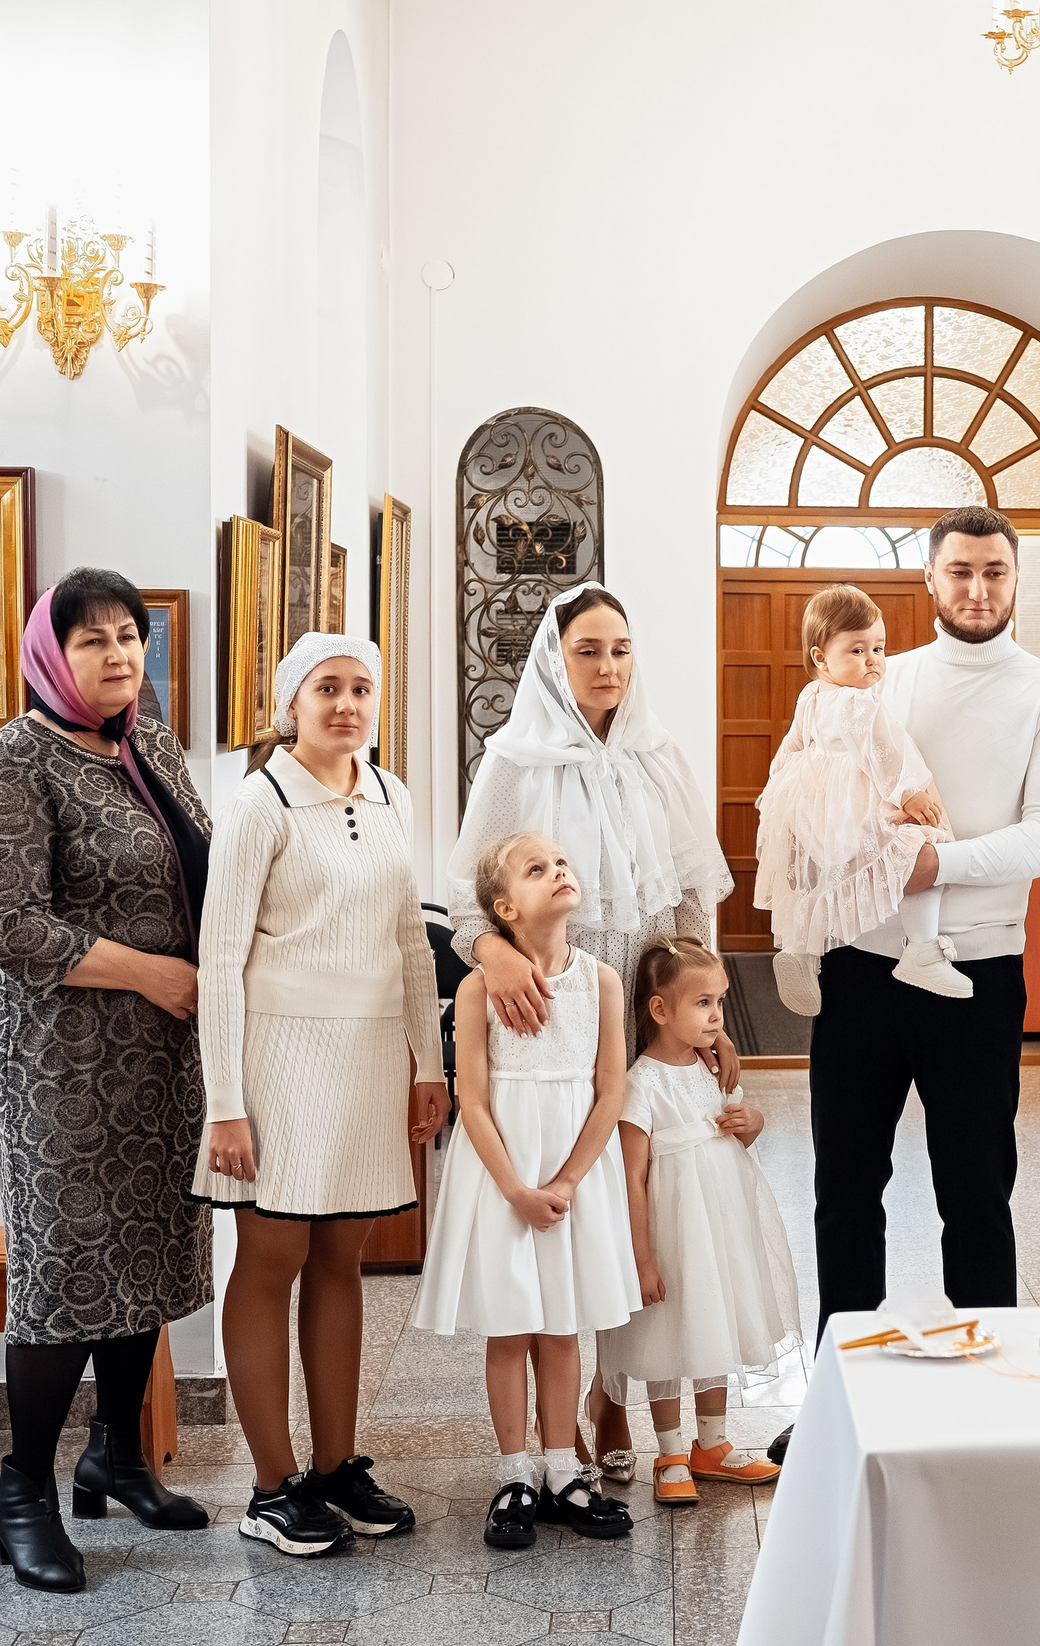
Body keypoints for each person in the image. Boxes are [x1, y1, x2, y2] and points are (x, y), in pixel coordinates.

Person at [797, 504, 1040, 1461]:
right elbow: (827, 786)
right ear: (930, 581)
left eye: (994, 573)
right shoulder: (881, 677)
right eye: (959, 571)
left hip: (978, 967)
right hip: (862, 964)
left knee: (976, 1189)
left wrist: (938, 865)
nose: (976, 589)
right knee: (847, 1188)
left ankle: (995, 1401)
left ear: (1017, 581)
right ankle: (837, 1403)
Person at [0, 569, 214, 1592]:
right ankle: (22, 1491)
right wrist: (151, 971)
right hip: (61, 1054)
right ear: (47, 654)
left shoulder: (148, 740)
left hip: (161, 1047)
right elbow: (1, 919)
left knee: (145, 1238)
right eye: (91, 640)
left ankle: (116, 1449)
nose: (116, 656)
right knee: (68, 1263)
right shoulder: (14, 758)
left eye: (129, 636)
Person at [441, 582, 734, 1465]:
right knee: (571, 1210)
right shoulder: (516, 760)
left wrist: (707, 1023)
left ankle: (616, 1395)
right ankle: (557, 1423)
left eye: (620, 649)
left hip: (641, 995)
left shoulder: (658, 757)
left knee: (637, 1206)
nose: (607, 667)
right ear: (553, 658)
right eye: (588, 650)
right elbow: (470, 896)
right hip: (550, 1009)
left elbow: (691, 902)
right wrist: (493, 955)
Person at [193, 633, 448, 1557]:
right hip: (278, 1057)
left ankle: (337, 1466)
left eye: (361, 688)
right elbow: (219, 958)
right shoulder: (259, 803)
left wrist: (431, 1063)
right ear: (291, 702)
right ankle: (271, 1486)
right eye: (327, 688)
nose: (346, 704)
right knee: (271, 1256)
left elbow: (411, 940)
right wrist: (225, 1098)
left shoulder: (392, 795)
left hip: (373, 1053)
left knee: (341, 1260)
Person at [415, 831, 641, 1549]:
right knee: (512, 1324)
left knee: (563, 1323)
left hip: (574, 1170)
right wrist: (514, 1187)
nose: (560, 870)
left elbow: (612, 1090)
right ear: (505, 907)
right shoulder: (480, 986)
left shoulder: (602, 981)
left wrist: (569, 1178)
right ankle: (515, 1469)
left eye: (563, 860)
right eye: (537, 868)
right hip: (505, 1169)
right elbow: (472, 1100)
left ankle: (562, 1467)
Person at [594, 940, 796, 1507]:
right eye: (703, 1003)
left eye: (721, 1002)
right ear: (660, 1011)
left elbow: (744, 1131)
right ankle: (670, 1451)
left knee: (717, 1321)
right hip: (673, 1233)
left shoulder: (714, 1067)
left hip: (722, 1225)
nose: (717, 1017)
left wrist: (749, 1119)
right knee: (670, 1334)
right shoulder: (642, 1082)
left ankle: (712, 1445)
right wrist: (642, 1259)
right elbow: (633, 1176)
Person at [755, 584, 970, 1013]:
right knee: (922, 848)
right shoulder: (858, 704)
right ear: (820, 657)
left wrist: (777, 789)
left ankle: (801, 950)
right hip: (854, 808)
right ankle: (922, 948)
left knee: (815, 879)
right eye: (857, 651)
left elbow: (791, 747)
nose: (873, 660)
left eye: (879, 647)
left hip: (815, 810)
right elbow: (884, 752)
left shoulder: (811, 696)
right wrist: (910, 793)